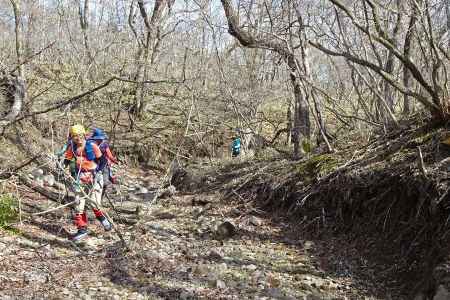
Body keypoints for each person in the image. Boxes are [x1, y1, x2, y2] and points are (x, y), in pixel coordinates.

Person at [63, 124, 112, 241]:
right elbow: (67, 160)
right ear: (72, 137)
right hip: (80, 178)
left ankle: (103, 220)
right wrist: (62, 167)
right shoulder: (72, 148)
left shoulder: (92, 146)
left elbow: (103, 160)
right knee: (78, 204)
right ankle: (82, 230)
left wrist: (99, 172)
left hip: (94, 176)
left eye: (79, 135)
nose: (78, 138)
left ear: (84, 134)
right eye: (75, 136)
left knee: (94, 203)